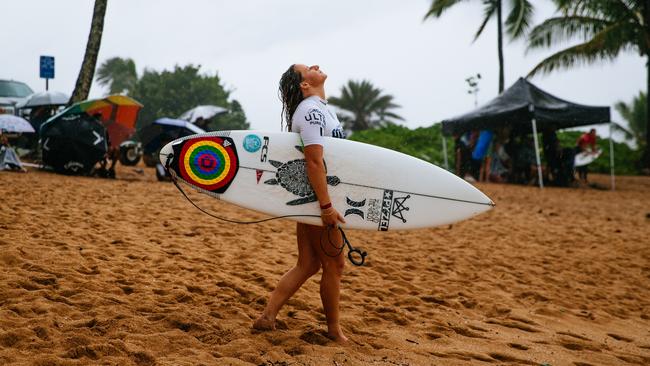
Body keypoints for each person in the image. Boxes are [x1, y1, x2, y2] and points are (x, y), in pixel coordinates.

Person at [253, 64, 349, 343]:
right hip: (316, 200)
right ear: (304, 85)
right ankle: (334, 331)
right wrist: (326, 207)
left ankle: (267, 317)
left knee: (308, 263)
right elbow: (314, 160)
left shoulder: (320, 109)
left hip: (310, 198)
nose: (316, 66)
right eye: (308, 68)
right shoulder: (312, 111)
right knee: (335, 265)